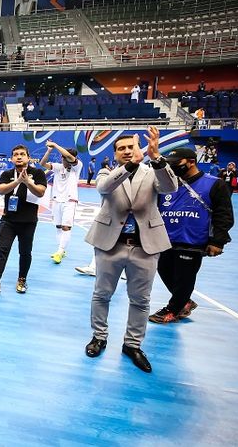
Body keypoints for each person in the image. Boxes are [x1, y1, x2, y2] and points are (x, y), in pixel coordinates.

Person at [84, 128, 177, 373]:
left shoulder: (153, 171)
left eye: (131, 147)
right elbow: (104, 188)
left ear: (140, 149)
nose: (127, 151)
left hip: (145, 246)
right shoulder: (107, 172)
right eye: (121, 148)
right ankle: (99, 337)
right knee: (101, 294)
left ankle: (132, 344)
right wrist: (130, 166)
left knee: (141, 299)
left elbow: (170, 187)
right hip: (110, 245)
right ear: (115, 153)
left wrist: (156, 158)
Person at [149, 148, 234, 324]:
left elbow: (224, 215)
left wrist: (218, 241)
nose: (172, 167)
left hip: (193, 240)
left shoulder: (214, 184)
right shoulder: (167, 184)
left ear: (191, 162)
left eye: (176, 163)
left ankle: (173, 310)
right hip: (165, 238)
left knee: (184, 277)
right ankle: (185, 301)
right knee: (163, 270)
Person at [0, 144, 47, 295]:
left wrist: (27, 182)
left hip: (28, 221)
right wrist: (17, 182)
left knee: (25, 252)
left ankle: (22, 279)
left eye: (22, 154)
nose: (19, 157)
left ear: (28, 158)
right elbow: (1, 190)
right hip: (8, 220)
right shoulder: (7, 174)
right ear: (11, 159)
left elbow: (41, 192)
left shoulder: (37, 173)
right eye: (16, 154)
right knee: (1, 250)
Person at [39, 141, 83, 264]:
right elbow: (42, 163)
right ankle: (61, 250)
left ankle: (60, 251)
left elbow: (69, 156)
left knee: (66, 227)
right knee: (58, 226)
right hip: (56, 200)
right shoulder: (58, 167)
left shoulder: (77, 166)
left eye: (66, 158)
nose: (64, 160)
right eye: (63, 158)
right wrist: (49, 150)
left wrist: (55, 145)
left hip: (70, 200)